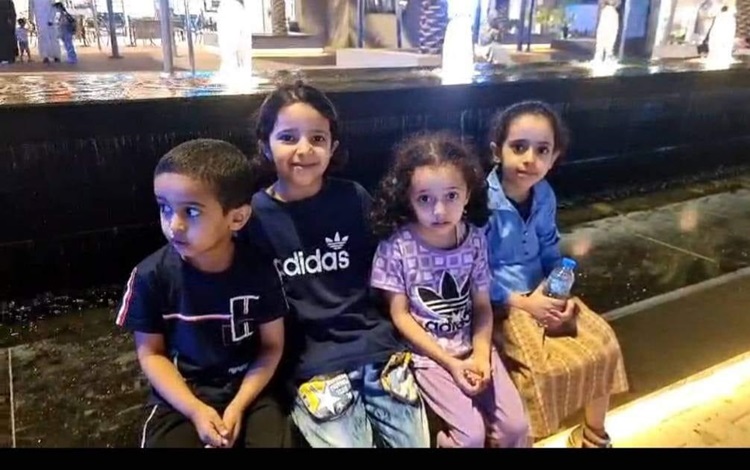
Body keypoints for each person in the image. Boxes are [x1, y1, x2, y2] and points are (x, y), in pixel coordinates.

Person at [241, 80, 430, 448]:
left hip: (376, 348)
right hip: (311, 364)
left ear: (333, 146)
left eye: (317, 138)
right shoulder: (253, 216)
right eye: (288, 137)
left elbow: (388, 271)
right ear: (265, 144)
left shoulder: (352, 197)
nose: (304, 149)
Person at [115, 139, 292, 448]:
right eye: (165, 208)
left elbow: (271, 346)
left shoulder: (260, 271)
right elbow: (151, 353)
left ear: (236, 218)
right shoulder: (150, 276)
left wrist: (239, 404)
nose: (174, 225)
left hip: (250, 388)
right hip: (181, 393)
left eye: (191, 211)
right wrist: (195, 409)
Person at [369, 131, 530, 448]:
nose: (440, 211)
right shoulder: (397, 247)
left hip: (473, 346)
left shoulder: (474, 239)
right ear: (408, 198)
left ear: (468, 194)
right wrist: (450, 363)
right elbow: (400, 316)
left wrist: (481, 355)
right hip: (429, 356)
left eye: (451, 196)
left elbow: (481, 306)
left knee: (516, 427)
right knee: (470, 436)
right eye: (425, 199)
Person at [485, 101, 629, 448]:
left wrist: (560, 285)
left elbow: (549, 247)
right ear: (497, 151)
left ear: (554, 157)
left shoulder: (544, 194)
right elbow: (471, 272)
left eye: (542, 150)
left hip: (543, 293)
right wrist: (523, 304)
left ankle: (592, 436)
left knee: (604, 342)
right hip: (502, 304)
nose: (529, 159)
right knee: (539, 369)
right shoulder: (479, 201)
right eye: (519, 147)